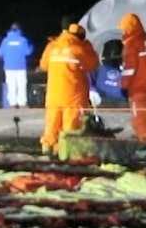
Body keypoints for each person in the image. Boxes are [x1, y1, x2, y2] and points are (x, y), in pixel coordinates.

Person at [38, 21, 100, 156]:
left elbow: (43, 65)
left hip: (53, 95)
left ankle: (47, 149)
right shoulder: (79, 49)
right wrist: (88, 47)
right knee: (70, 126)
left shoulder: (52, 47)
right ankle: (64, 152)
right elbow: (93, 65)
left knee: (52, 124)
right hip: (73, 96)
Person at [118, 13, 146, 142]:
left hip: (139, 88)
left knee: (141, 119)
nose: (122, 31)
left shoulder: (133, 43)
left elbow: (129, 69)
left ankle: (145, 142)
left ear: (129, 27)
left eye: (123, 28)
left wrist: (124, 86)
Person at [0, 23, 34, 108]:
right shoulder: (23, 40)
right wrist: (32, 47)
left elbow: (0, 53)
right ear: (20, 30)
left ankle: (12, 103)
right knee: (21, 85)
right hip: (21, 66)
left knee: (11, 85)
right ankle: (22, 103)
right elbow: (27, 52)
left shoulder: (5, 40)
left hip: (9, 67)